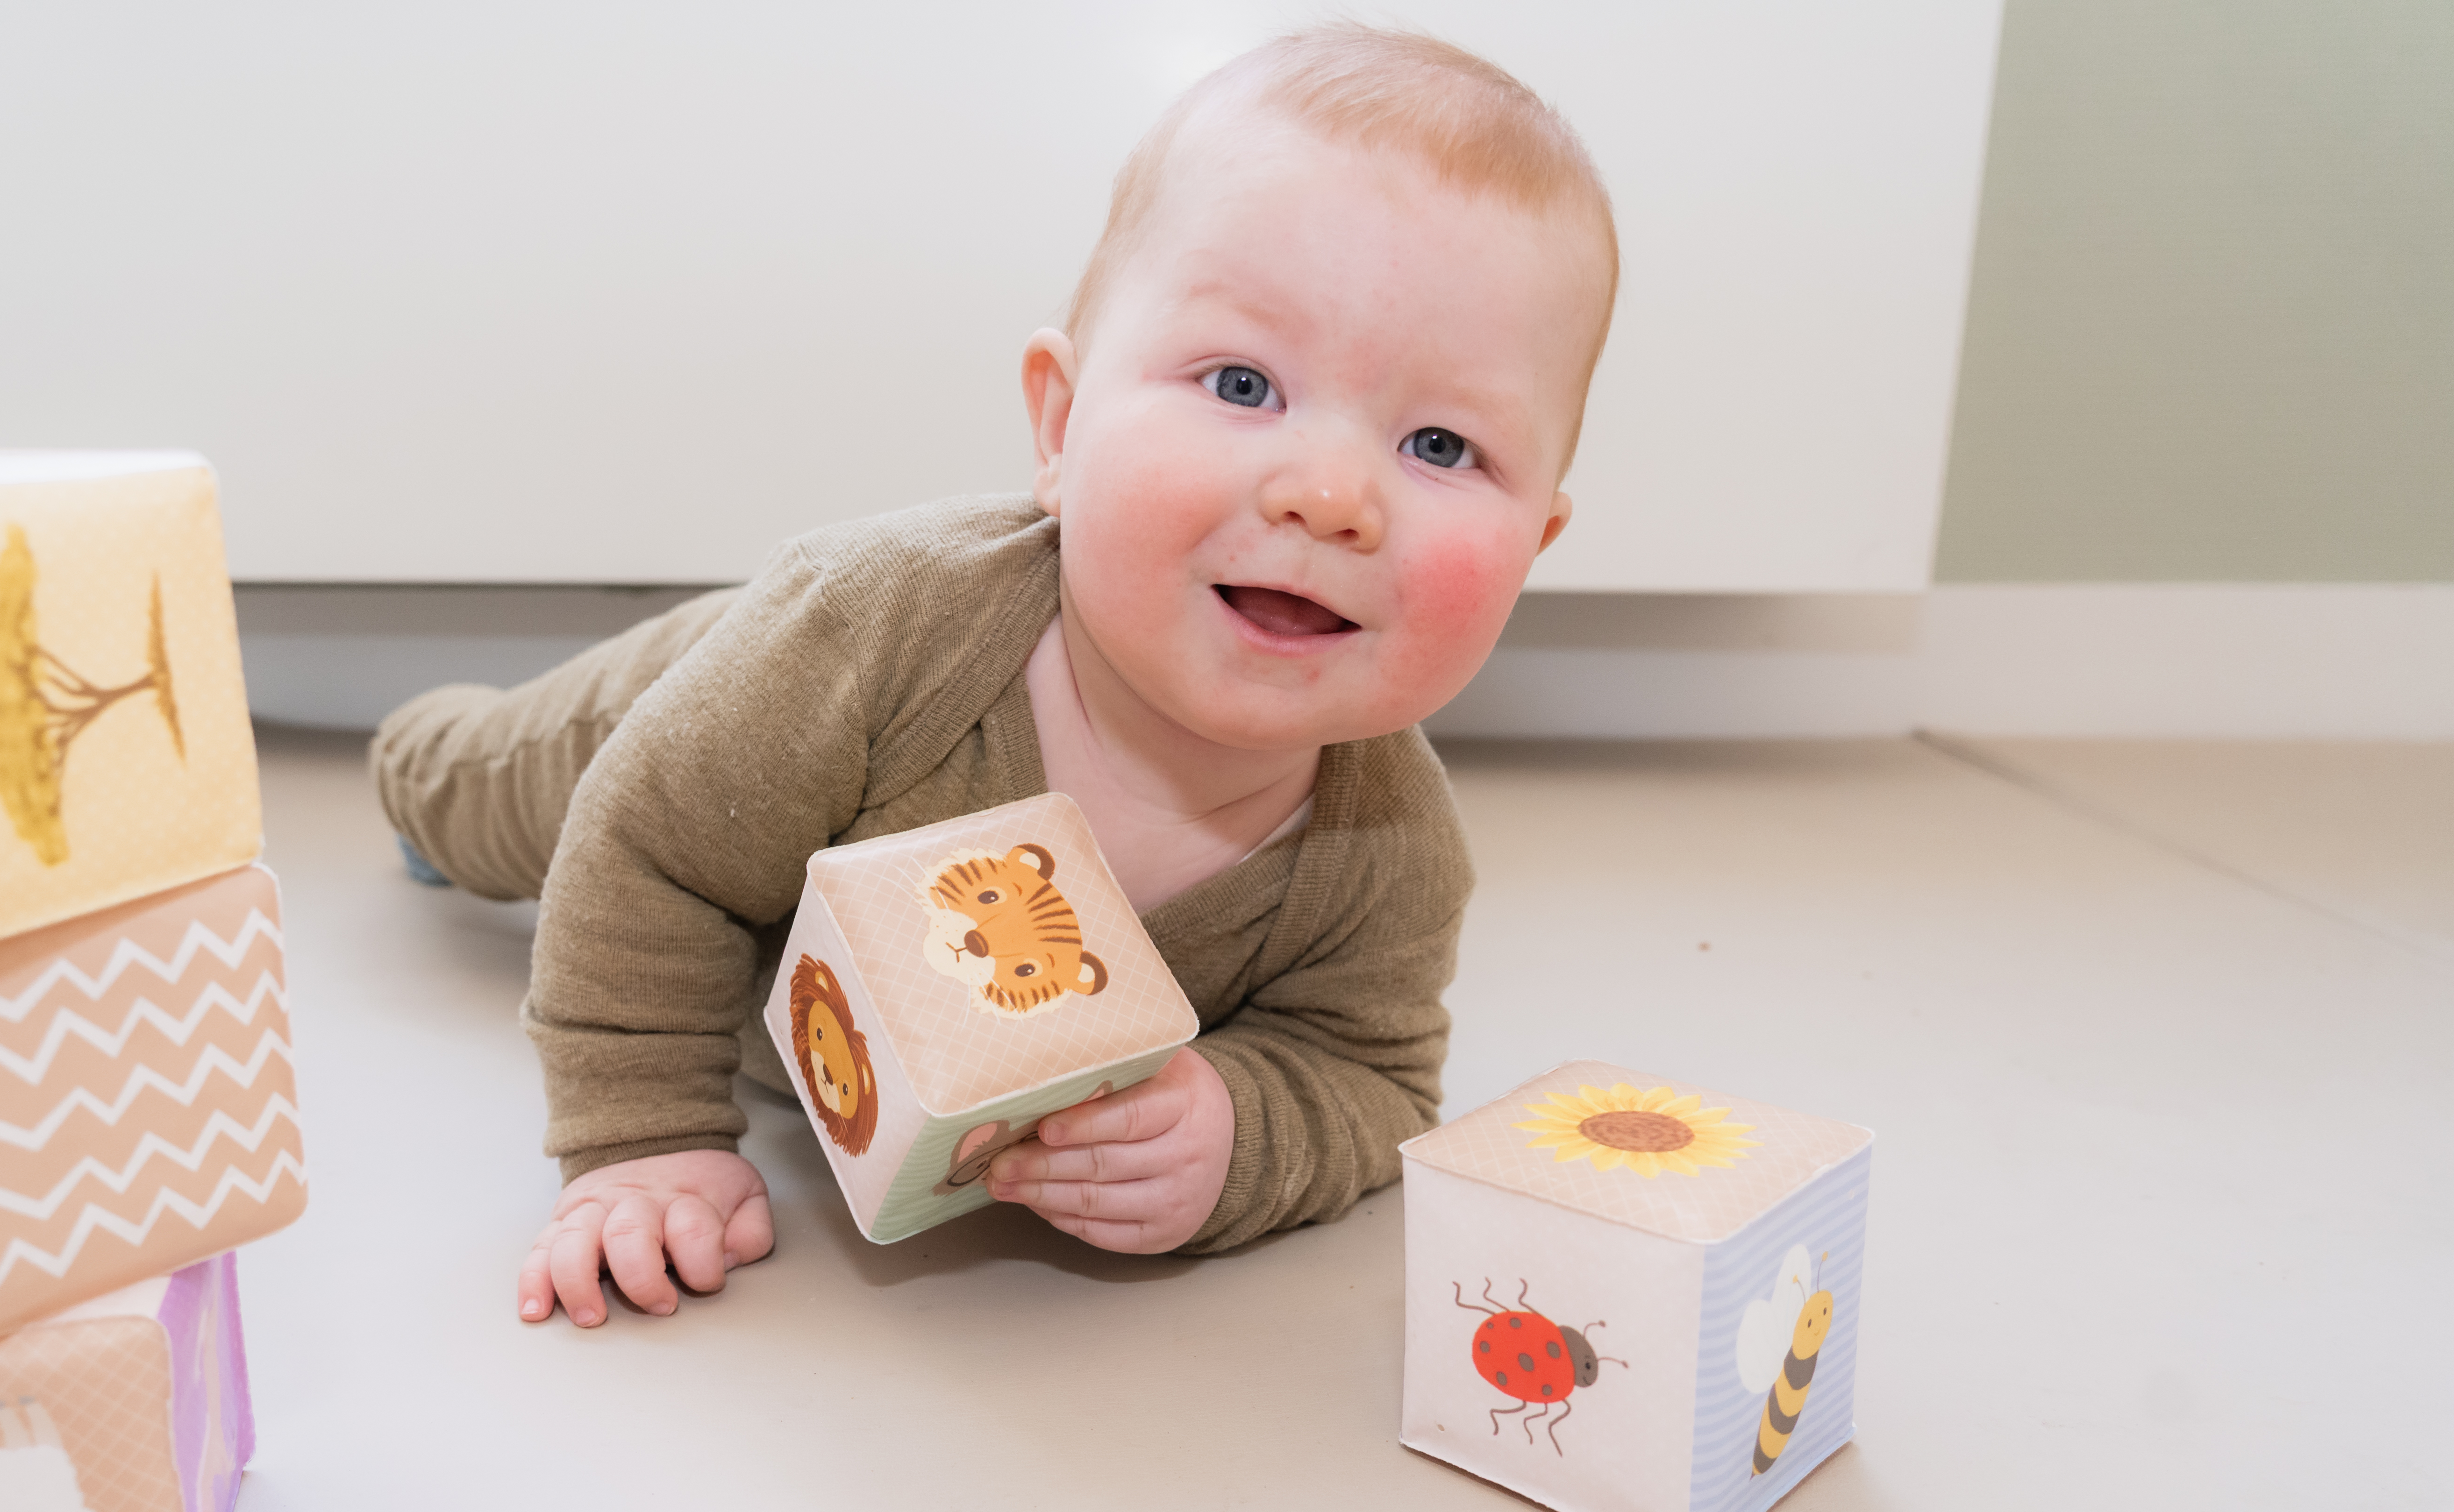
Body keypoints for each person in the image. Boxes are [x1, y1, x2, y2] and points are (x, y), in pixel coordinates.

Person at [370, 24, 1619, 1327]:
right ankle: (412, 765)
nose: (1330, 495)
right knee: (480, 794)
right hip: (695, 730)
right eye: (1243, 382)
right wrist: (640, 1142)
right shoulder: (861, 631)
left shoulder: (1389, 855)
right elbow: (650, 856)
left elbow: (1365, 1076)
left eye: (1439, 443)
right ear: (1062, 427)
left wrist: (1232, 1137)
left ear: (1534, 545)